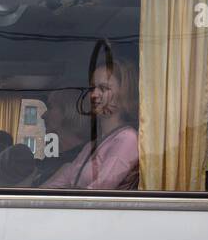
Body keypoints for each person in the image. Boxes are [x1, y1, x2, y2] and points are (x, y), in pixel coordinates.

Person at [43, 57, 140, 190]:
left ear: (124, 94)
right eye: (92, 88)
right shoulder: (90, 146)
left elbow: (99, 192)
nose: (93, 95)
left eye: (103, 88)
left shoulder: (127, 138)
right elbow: (54, 185)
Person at [33, 87, 89, 183]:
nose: (43, 115)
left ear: (69, 111)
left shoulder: (83, 159)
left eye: (50, 107)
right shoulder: (53, 156)